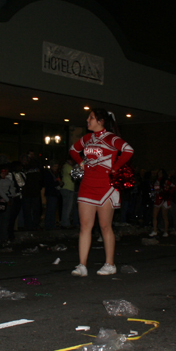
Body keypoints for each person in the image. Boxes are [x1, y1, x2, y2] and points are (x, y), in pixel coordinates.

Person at [69, 108, 133, 276]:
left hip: (106, 186)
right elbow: (72, 150)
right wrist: (81, 162)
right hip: (87, 185)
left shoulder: (111, 138)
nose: (87, 120)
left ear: (100, 121)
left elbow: (128, 150)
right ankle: (82, 265)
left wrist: (115, 168)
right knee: (85, 226)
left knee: (105, 226)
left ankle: (110, 264)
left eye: (90, 118)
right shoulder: (87, 138)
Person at [149, 169, 173, 237]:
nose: (159, 174)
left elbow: (173, 186)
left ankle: (166, 231)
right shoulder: (156, 181)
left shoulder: (165, 181)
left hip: (164, 199)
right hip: (157, 199)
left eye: (160, 173)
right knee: (154, 215)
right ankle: (155, 230)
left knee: (164, 216)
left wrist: (167, 192)